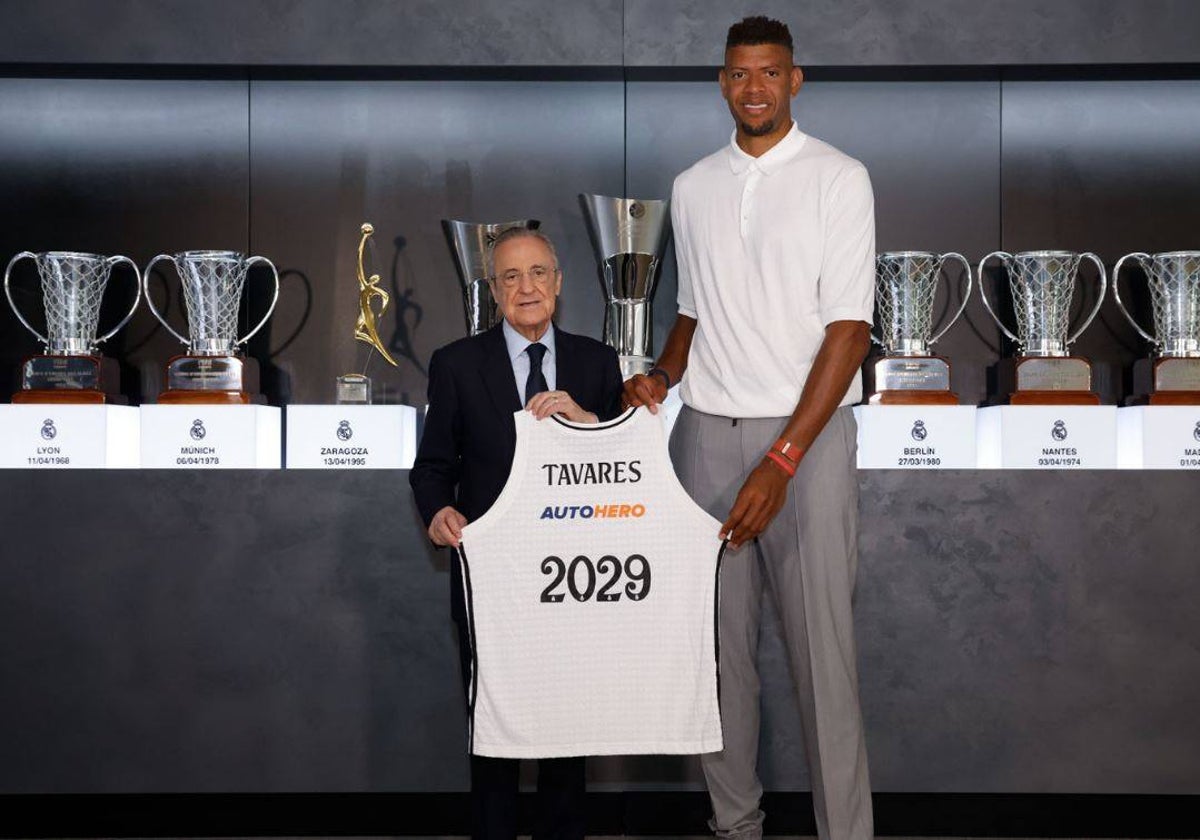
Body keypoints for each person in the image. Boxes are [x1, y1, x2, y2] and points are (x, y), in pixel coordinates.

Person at [623, 15, 876, 840]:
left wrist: (785, 455)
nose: (755, 87)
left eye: (770, 72)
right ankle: (735, 828)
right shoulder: (693, 186)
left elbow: (849, 332)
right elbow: (694, 312)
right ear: (722, 83)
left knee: (822, 664)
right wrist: (663, 374)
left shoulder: (841, 178)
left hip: (806, 441)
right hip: (704, 439)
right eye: (740, 74)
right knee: (720, 665)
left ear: (795, 80)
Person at [410, 226, 623, 840]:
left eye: (537, 273)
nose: (525, 287)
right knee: (494, 736)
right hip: (490, 580)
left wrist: (588, 420)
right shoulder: (455, 363)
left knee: (566, 733)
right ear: (494, 290)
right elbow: (432, 468)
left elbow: (622, 464)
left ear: (558, 283)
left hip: (571, 579)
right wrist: (437, 512)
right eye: (510, 276)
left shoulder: (595, 360)